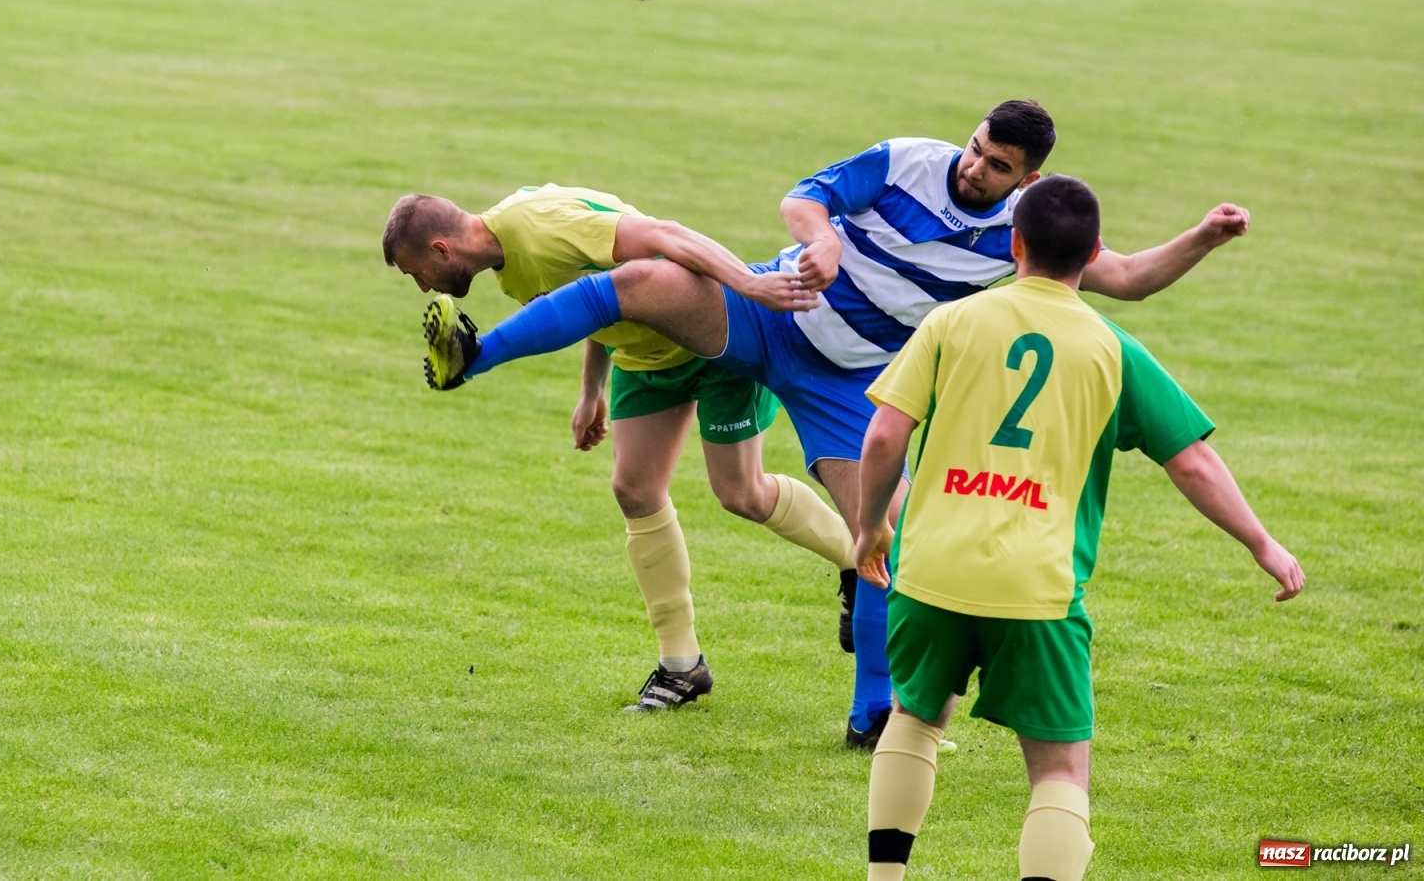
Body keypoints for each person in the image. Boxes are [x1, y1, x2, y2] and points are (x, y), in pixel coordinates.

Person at [421, 100, 1254, 745]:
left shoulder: (1020, 234)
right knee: (642, 280)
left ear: (1026, 182)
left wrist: (1205, 239)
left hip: (849, 379)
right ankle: (476, 355)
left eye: (997, 166)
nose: (974, 168)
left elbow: (1133, 278)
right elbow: (806, 196)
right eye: (974, 147)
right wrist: (818, 240)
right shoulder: (906, 162)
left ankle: (871, 717)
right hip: (770, 309)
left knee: (880, 536)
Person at [851, 174, 1304, 881]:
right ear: (1093, 253)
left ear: (1014, 242)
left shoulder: (954, 322)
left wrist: (870, 525)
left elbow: (883, 438)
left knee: (914, 718)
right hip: (1039, 587)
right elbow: (1193, 463)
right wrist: (1262, 542)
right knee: (1059, 768)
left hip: (931, 569)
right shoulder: (1112, 348)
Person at [382, 185, 858, 713]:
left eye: (416, 272)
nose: (422, 285)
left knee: (741, 493)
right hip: (644, 359)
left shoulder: (536, 225)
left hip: (712, 340)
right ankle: (682, 666)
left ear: (442, 250)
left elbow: (665, 236)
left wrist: (750, 285)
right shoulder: (507, 263)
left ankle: (855, 557)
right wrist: (593, 391)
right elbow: (592, 298)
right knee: (634, 490)